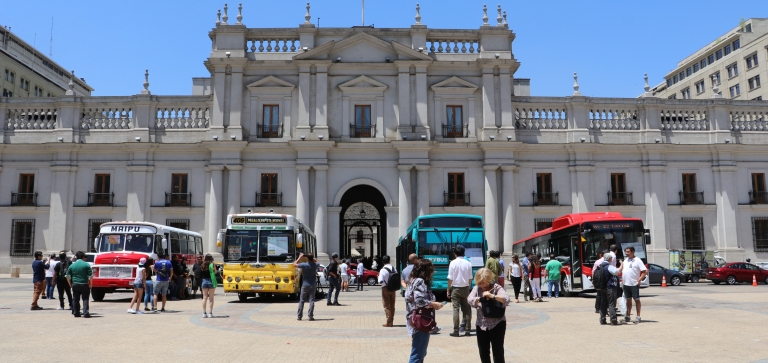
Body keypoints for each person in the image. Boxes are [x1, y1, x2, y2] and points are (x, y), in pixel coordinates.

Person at [405, 259, 444, 363]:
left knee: (419, 353)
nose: (432, 272)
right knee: (417, 355)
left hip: (414, 320)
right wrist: (432, 304)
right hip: (421, 321)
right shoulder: (420, 282)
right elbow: (419, 300)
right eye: (431, 269)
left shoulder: (412, 281)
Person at [468, 268, 510, 363]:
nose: (483, 285)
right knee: (483, 351)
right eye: (480, 283)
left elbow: (506, 299)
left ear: (489, 279)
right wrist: (480, 298)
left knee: (498, 351)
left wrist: (493, 296)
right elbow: (469, 299)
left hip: (497, 324)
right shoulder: (477, 288)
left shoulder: (496, 287)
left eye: (485, 282)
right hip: (481, 324)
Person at [447, 245, 472, 337]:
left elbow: (450, 278)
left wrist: (448, 289)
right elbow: (470, 278)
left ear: (455, 254)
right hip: (465, 287)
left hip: (456, 288)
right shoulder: (468, 263)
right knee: (467, 310)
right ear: (464, 253)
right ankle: (468, 330)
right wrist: (468, 288)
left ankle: (456, 330)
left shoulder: (452, 263)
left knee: (455, 309)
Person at [622, 246, 647, 324]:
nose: (626, 253)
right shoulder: (625, 260)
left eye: (628, 252)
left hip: (634, 283)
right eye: (626, 252)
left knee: (636, 299)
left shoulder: (637, 260)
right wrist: (623, 282)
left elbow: (645, 271)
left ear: (633, 252)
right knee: (628, 300)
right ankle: (628, 316)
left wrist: (639, 279)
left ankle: (638, 316)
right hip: (626, 283)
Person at [597, 253, 622, 325]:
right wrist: (621, 264)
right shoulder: (609, 266)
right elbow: (617, 272)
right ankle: (613, 319)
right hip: (610, 287)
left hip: (602, 287)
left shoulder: (600, 266)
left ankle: (602, 319)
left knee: (603, 303)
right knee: (611, 303)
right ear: (609, 258)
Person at [66, 251, 93, 318]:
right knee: (85, 298)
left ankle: (76, 312)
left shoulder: (72, 265)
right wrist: (90, 284)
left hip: (75, 283)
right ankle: (85, 312)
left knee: (75, 299)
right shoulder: (86, 264)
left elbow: (67, 276)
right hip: (84, 283)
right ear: (82, 257)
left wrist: (70, 284)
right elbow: (90, 276)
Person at [294, 252, 318, 321]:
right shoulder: (315, 265)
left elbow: (294, 264)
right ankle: (310, 316)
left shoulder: (304, 265)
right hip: (313, 284)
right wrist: (313, 258)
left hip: (305, 284)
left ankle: (299, 316)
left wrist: (300, 257)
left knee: (302, 300)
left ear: (306, 258)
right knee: (312, 300)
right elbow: (318, 262)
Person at [378, 255, 397, 327]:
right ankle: (391, 320)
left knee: (386, 305)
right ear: (389, 261)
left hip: (385, 288)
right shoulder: (394, 268)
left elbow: (380, 281)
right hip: (393, 288)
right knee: (392, 305)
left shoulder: (383, 270)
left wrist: (378, 277)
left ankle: (389, 322)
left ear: (383, 262)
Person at [592, 249, 606, 313]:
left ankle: (597, 308)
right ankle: (604, 307)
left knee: (599, 294)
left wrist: (593, 280)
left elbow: (593, 272)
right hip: (605, 279)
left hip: (599, 279)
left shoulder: (597, 262)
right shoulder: (608, 261)